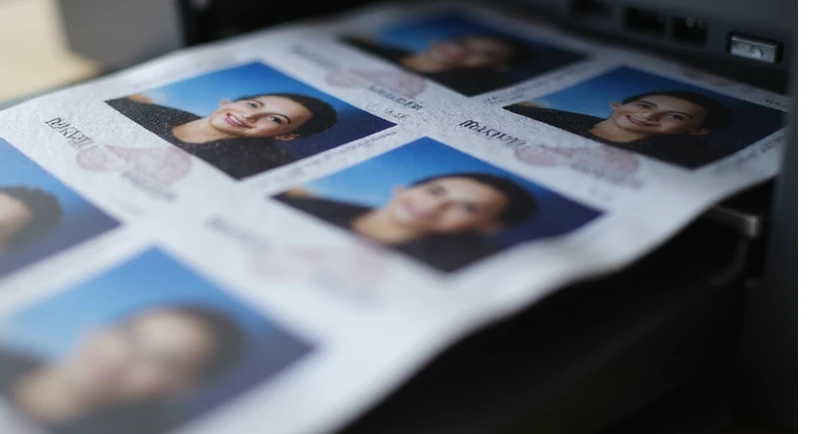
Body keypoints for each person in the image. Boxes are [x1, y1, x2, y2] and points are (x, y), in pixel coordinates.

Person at [0, 304, 247, 434]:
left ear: (182, 388)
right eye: (128, 335)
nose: (122, 357)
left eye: (161, 360)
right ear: (95, 330)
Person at [276, 172, 538, 273]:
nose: (434, 205)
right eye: (434, 191)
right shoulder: (298, 203)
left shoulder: (445, 267)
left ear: (489, 226)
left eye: (467, 207)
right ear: (403, 189)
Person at [107, 91, 339, 179]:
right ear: (228, 101)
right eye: (252, 105)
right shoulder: (139, 110)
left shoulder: (247, 167)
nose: (251, 116)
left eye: (275, 119)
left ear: (287, 136)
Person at [505, 89, 733, 168]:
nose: (648, 115)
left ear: (698, 131)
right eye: (644, 105)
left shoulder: (683, 157)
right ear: (617, 105)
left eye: (675, 116)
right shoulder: (550, 117)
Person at [341, 30, 535, 96]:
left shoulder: (460, 87)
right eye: (462, 42)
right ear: (438, 41)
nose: (460, 50)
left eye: (486, 52)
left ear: (499, 66)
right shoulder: (370, 49)